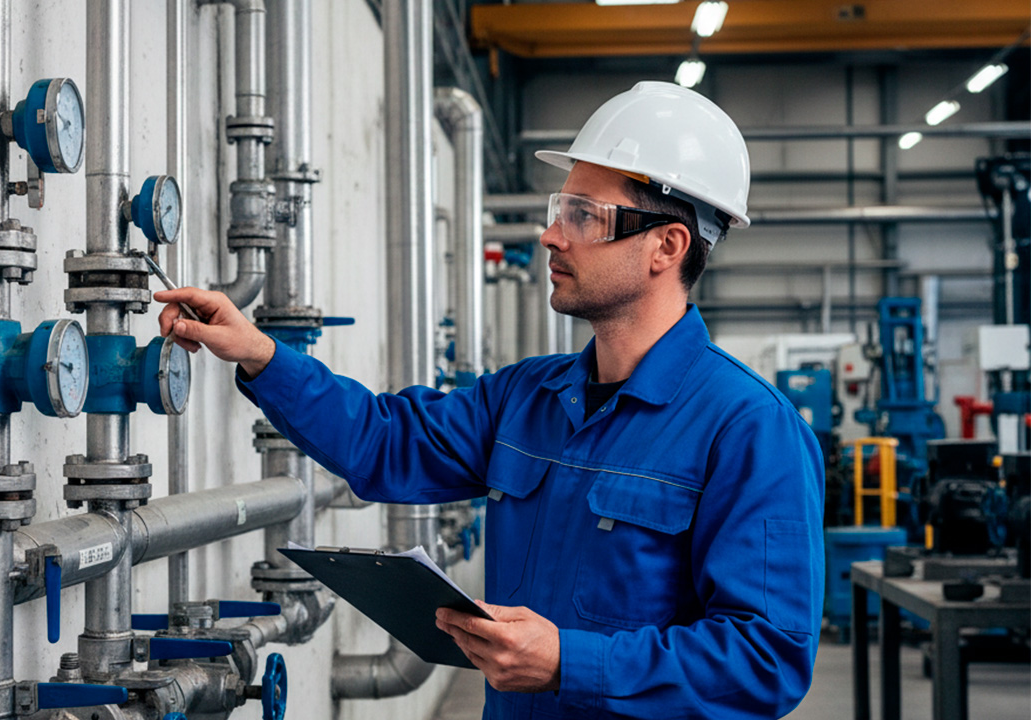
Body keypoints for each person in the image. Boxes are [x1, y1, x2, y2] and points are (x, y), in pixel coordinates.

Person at [156, 81, 824, 719]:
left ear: (666, 246)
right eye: (558, 210)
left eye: (582, 215)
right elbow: (384, 443)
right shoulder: (529, 397)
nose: (552, 235)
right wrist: (259, 354)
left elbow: (767, 659)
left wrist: (571, 660)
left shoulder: (748, 429)